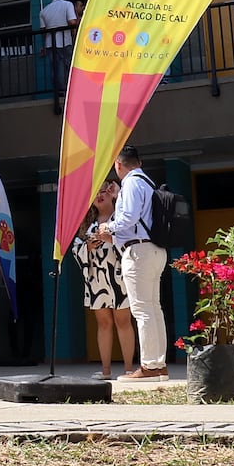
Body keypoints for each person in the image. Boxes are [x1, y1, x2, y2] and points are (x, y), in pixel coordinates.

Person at [96, 145, 168, 381]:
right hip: (155, 250)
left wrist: (109, 228)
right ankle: (158, 364)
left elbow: (129, 218)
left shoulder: (131, 183)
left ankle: (148, 366)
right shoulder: (147, 182)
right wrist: (118, 197)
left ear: (118, 164)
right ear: (140, 162)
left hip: (138, 252)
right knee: (154, 308)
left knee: (142, 310)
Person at [71, 178, 135, 380]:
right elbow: (75, 248)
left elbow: (131, 244)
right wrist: (87, 248)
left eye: (104, 191)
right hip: (96, 279)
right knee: (103, 323)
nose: (99, 195)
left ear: (112, 193)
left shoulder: (121, 219)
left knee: (123, 321)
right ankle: (106, 370)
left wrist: (110, 239)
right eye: (95, 193)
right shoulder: (86, 224)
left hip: (119, 277)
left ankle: (128, 369)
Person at [39, 0, 78, 111]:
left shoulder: (44, 11)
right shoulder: (67, 5)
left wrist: (44, 45)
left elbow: (43, 30)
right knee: (68, 66)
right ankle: (69, 90)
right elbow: (72, 22)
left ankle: (59, 92)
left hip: (51, 43)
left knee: (55, 68)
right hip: (65, 41)